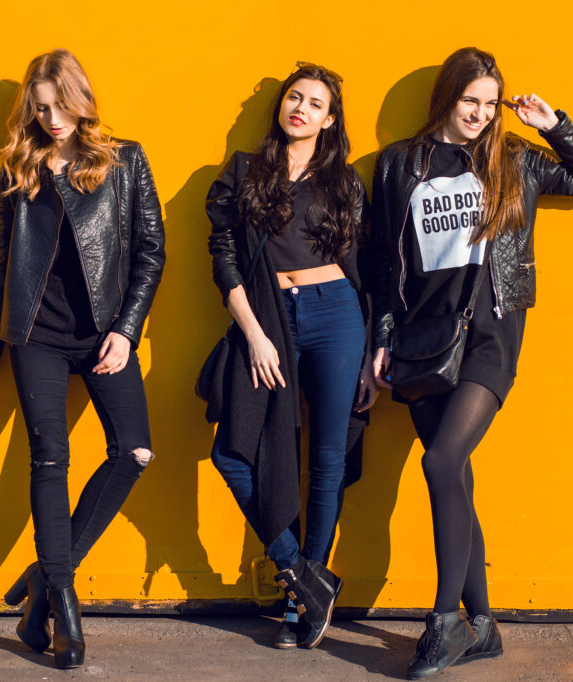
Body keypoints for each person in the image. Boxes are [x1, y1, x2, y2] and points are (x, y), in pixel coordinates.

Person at [369, 47, 573, 679]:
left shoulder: (515, 161)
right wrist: (383, 335)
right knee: (459, 481)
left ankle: (444, 621)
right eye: (467, 100)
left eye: (488, 102)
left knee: (442, 460)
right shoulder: (400, 163)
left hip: (491, 332)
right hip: (422, 337)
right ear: (447, 99)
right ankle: (484, 625)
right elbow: (382, 263)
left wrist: (553, 124)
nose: (478, 113)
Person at [0, 48, 165, 669]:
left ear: (81, 98)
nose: (52, 120)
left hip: (104, 333)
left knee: (133, 450)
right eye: (41, 109)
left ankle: (43, 584)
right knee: (50, 458)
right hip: (36, 336)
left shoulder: (124, 159)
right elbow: (5, 266)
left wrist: (127, 331)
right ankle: (65, 615)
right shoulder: (19, 170)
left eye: (61, 105)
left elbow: (151, 253)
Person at [205, 62, 377, 650]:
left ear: (330, 121)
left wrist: (370, 355)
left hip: (337, 315)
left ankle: (300, 605)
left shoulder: (345, 183)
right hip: (268, 320)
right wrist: (253, 334)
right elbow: (223, 259)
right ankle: (304, 578)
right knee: (233, 452)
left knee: (326, 461)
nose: (300, 108)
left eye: (315, 103)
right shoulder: (244, 173)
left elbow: (368, 271)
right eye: (293, 97)